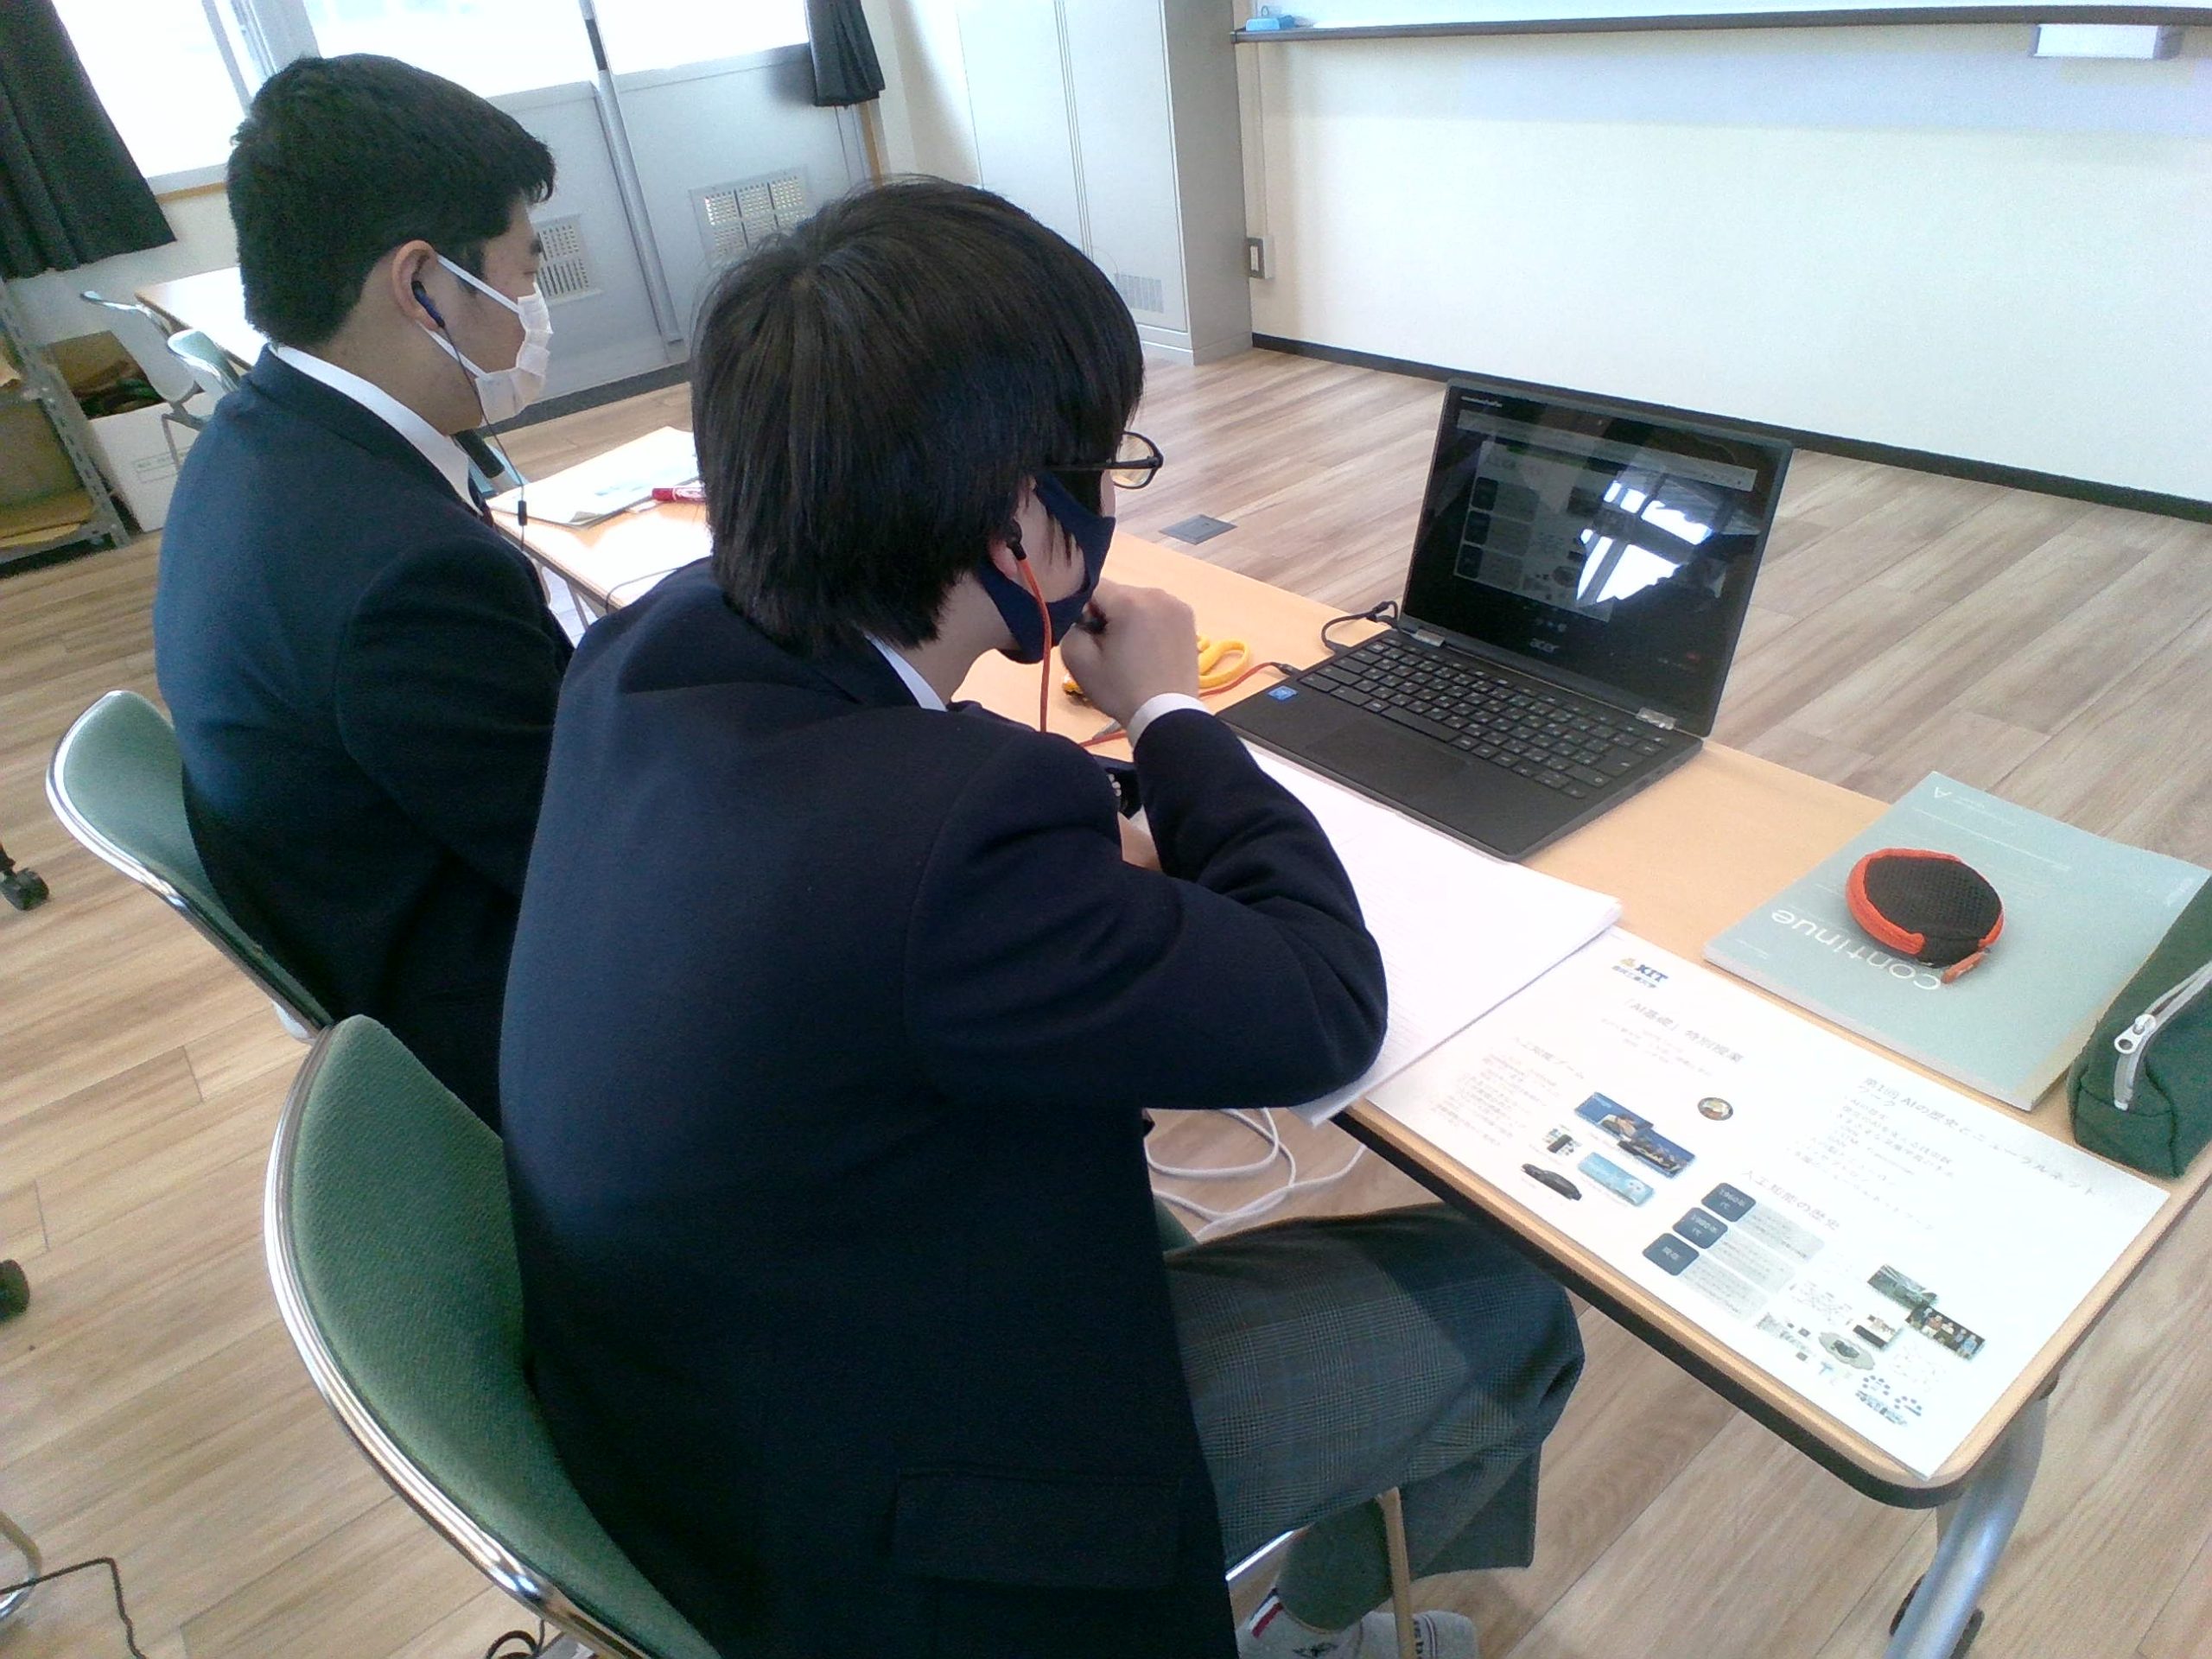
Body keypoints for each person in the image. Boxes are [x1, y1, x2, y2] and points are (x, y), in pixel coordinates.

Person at [500, 179, 1583, 1659]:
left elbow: (880, 891)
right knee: (1515, 1306)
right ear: (1024, 517)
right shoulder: (952, 836)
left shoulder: (649, 647)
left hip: (679, 1414)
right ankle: (1306, 1624)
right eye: (1101, 465)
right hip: (908, 1522)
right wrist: (1170, 710)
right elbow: (1330, 1007)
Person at [154, 54, 571, 1126]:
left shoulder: (258, 440)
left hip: (386, 916)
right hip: (509, 1023)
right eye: (525, 271)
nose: (534, 306)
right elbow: (592, 857)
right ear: (421, 284)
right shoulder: (403, 576)